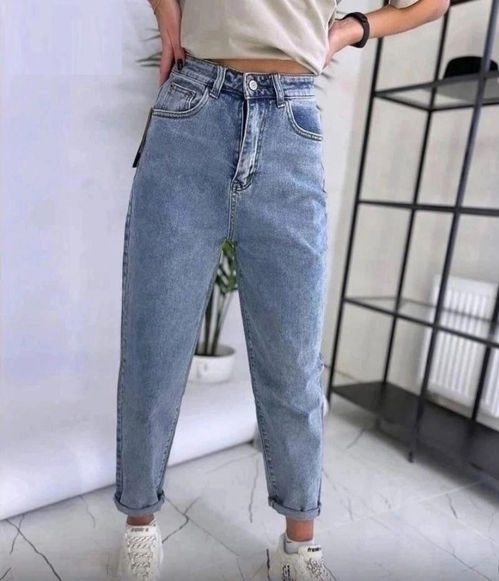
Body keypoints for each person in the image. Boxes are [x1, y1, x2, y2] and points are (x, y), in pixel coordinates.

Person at [113, 0, 449, 579]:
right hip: (193, 108)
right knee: (155, 345)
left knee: (293, 362)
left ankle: (299, 547)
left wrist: (351, 29)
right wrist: (168, 16)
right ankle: (139, 527)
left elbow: (434, 3)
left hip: (290, 125)